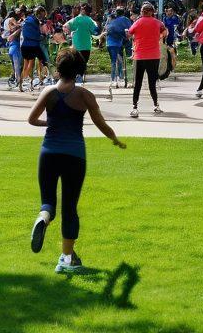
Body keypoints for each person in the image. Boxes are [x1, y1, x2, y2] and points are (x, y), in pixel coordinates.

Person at [28, 48, 125, 273]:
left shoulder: (48, 92)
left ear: (59, 68)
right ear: (79, 69)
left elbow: (32, 119)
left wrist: (51, 124)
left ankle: (43, 218)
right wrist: (115, 139)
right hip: (74, 155)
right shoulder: (84, 95)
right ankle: (66, 258)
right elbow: (101, 123)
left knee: (48, 202)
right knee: (70, 207)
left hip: (48, 153)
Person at [127, 2, 165, 118]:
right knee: (152, 83)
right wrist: (159, 37)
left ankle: (135, 107)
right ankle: (156, 105)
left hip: (140, 56)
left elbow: (129, 33)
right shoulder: (158, 23)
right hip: (154, 56)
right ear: (152, 12)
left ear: (143, 12)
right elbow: (165, 32)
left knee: (137, 82)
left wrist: (134, 38)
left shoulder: (138, 22)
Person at [64, 4, 98, 79]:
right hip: (86, 44)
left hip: (77, 44)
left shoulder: (76, 19)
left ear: (83, 11)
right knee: (84, 61)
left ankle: (77, 76)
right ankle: (81, 75)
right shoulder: (89, 20)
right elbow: (94, 31)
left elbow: (66, 26)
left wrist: (69, 33)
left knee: (77, 60)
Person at [20, 6, 46, 92]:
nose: (43, 17)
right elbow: (33, 34)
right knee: (40, 61)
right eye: (42, 15)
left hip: (25, 45)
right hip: (32, 45)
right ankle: (35, 81)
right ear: (38, 14)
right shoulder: (33, 21)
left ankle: (24, 83)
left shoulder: (27, 20)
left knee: (26, 65)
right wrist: (41, 36)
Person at [104, 8, 131, 89]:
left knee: (116, 61)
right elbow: (129, 30)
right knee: (117, 61)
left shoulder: (113, 21)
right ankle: (116, 79)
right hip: (117, 44)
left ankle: (115, 79)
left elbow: (106, 30)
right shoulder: (124, 20)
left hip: (110, 44)